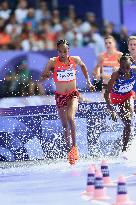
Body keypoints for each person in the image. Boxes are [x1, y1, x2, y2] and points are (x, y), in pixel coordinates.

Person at [39, 39, 95, 165]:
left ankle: (75, 148)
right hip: (60, 96)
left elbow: (83, 66)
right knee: (65, 126)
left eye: (65, 51)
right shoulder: (52, 62)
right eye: (60, 52)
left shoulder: (75, 59)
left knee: (71, 117)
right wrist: (46, 75)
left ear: (68, 50)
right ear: (57, 51)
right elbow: (42, 77)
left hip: (73, 94)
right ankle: (69, 151)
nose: (63, 54)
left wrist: (89, 82)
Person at [104, 55, 135, 157]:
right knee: (128, 123)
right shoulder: (116, 75)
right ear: (119, 66)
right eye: (122, 67)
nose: (125, 70)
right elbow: (106, 93)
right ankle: (124, 150)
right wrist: (111, 109)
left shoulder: (134, 71)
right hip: (116, 100)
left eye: (127, 67)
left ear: (131, 66)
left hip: (127, 96)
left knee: (129, 121)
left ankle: (126, 148)